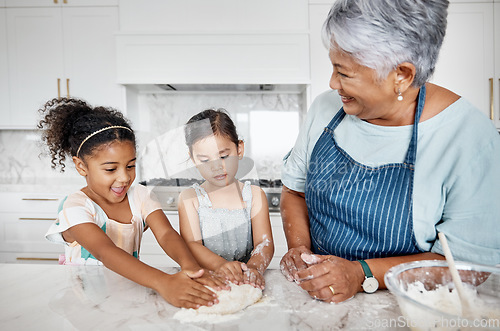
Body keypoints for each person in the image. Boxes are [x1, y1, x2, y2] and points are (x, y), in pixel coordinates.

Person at [280, 0, 500, 303]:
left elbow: (468, 268)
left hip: (410, 309)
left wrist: (361, 274)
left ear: (402, 74)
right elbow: (295, 192)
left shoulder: (469, 138)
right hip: (318, 301)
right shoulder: (325, 109)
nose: (333, 83)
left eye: (344, 73)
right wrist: (299, 249)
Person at [39, 97, 226, 309]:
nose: (124, 178)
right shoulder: (75, 207)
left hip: (127, 292)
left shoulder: (141, 196)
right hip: (85, 302)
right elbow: (104, 251)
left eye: (130, 166)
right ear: (81, 166)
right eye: (111, 169)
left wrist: (191, 268)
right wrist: (164, 282)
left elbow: (166, 234)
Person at [178, 109, 274, 290]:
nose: (216, 167)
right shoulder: (190, 199)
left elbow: (264, 243)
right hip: (208, 283)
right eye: (205, 160)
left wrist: (253, 268)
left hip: (246, 282)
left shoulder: (254, 195)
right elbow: (192, 245)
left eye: (223, 156)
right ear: (193, 159)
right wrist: (221, 265)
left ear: (239, 149)